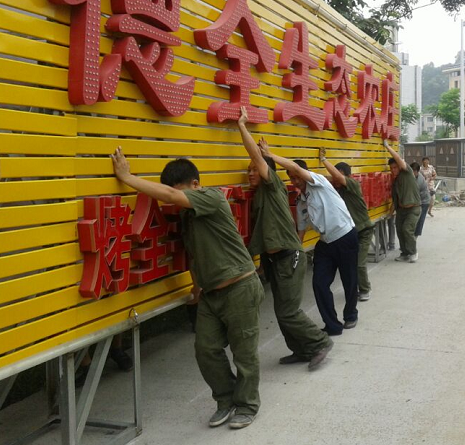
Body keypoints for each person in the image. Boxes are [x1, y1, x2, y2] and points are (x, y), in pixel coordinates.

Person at [111, 148, 263, 430]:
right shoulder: (188, 216)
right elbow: (193, 254)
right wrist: (196, 287)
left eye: (180, 192)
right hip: (211, 293)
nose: (177, 201)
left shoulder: (212, 197)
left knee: (244, 353)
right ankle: (226, 399)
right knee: (205, 349)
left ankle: (247, 405)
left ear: (195, 184)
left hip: (240, 286)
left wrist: (127, 177)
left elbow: (170, 196)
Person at [236, 107, 333, 370]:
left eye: (254, 169)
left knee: (289, 312)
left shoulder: (273, 186)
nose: (250, 173)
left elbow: (257, 158)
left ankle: (320, 342)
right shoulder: (260, 195)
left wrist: (242, 126)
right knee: (281, 313)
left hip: (289, 258)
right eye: (248, 171)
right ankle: (301, 350)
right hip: (275, 261)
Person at [258, 139, 359, 337]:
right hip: (325, 243)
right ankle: (332, 325)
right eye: (291, 178)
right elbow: (301, 232)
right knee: (319, 283)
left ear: (304, 174)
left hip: (345, 236)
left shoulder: (318, 182)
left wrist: (269, 156)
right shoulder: (301, 201)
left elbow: (296, 167)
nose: (295, 181)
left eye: (297, 177)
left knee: (349, 280)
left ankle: (351, 315)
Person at [319, 147, 374, 302]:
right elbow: (327, 178)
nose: (335, 179)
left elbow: (336, 177)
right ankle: (354, 289)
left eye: (339, 176)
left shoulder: (353, 185)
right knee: (349, 264)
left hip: (364, 231)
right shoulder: (338, 190)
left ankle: (365, 289)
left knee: (359, 263)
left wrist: (323, 160)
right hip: (351, 234)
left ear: (348, 176)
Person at [384, 140, 421, 263]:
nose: (393, 170)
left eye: (395, 167)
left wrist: (388, 147)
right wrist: (390, 214)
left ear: (399, 166)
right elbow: (395, 200)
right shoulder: (395, 182)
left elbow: (398, 159)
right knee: (400, 231)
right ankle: (404, 253)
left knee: (407, 229)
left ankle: (413, 252)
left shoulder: (407, 172)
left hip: (413, 209)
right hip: (401, 210)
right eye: (391, 168)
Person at [410, 162, 431, 238]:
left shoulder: (419, 180)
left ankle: (414, 237)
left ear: (417, 171)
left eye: (414, 171)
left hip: (424, 202)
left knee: (419, 220)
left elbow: (414, 194)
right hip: (417, 201)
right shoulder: (411, 177)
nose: (412, 172)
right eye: (411, 170)